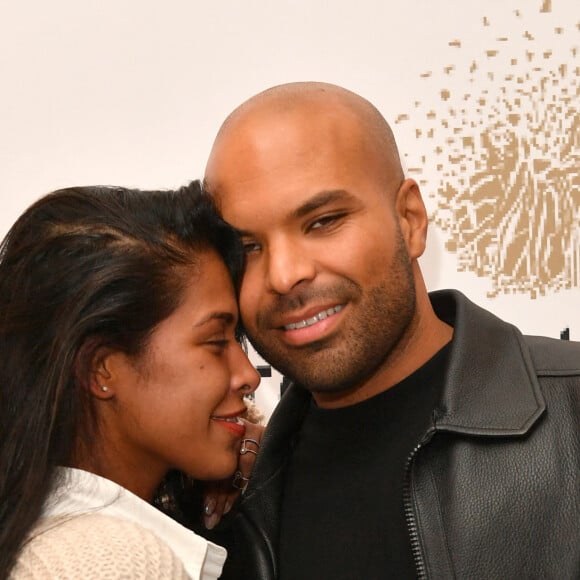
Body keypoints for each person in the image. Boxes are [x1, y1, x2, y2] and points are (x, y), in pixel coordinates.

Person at [203, 82, 580, 579]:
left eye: (323, 221)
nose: (284, 275)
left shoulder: (570, 413)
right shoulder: (233, 492)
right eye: (247, 247)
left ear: (410, 219)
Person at [0, 181, 261, 579]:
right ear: (101, 369)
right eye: (214, 342)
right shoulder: (109, 562)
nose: (247, 376)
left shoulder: (50, 533)